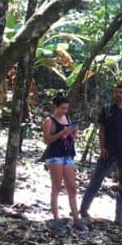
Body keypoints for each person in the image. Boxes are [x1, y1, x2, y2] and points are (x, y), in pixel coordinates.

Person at [79, 84, 122, 226]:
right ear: (113, 94)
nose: (118, 95)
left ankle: (119, 217)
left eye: (121, 92)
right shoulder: (107, 110)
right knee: (96, 179)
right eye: (116, 92)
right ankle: (83, 209)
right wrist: (102, 147)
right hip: (108, 151)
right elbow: (102, 129)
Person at [42, 92, 86, 233]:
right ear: (56, 106)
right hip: (55, 156)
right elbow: (47, 140)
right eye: (62, 108)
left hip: (68, 155)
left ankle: (76, 219)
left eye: (66, 109)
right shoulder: (49, 121)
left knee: (72, 187)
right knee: (57, 187)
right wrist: (62, 133)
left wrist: (73, 134)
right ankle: (56, 220)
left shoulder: (67, 118)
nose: (64, 111)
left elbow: (71, 138)